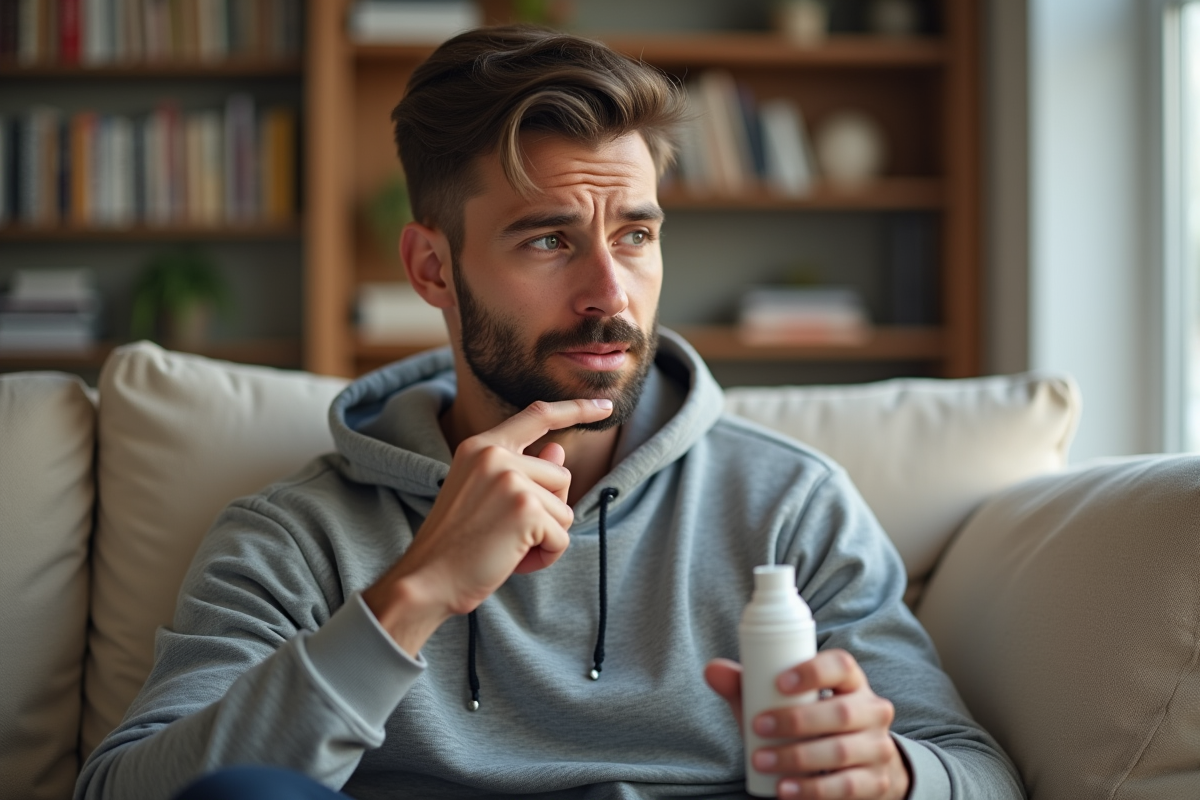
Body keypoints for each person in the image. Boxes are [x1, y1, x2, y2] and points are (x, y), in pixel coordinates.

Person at [76, 26, 1024, 800]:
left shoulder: (791, 505)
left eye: (636, 234)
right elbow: (126, 790)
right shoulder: (296, 536)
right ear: (432, 269)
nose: (609, 292)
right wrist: (413, 595)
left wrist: (893, 774)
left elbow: (979, 773)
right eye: (547, 239)